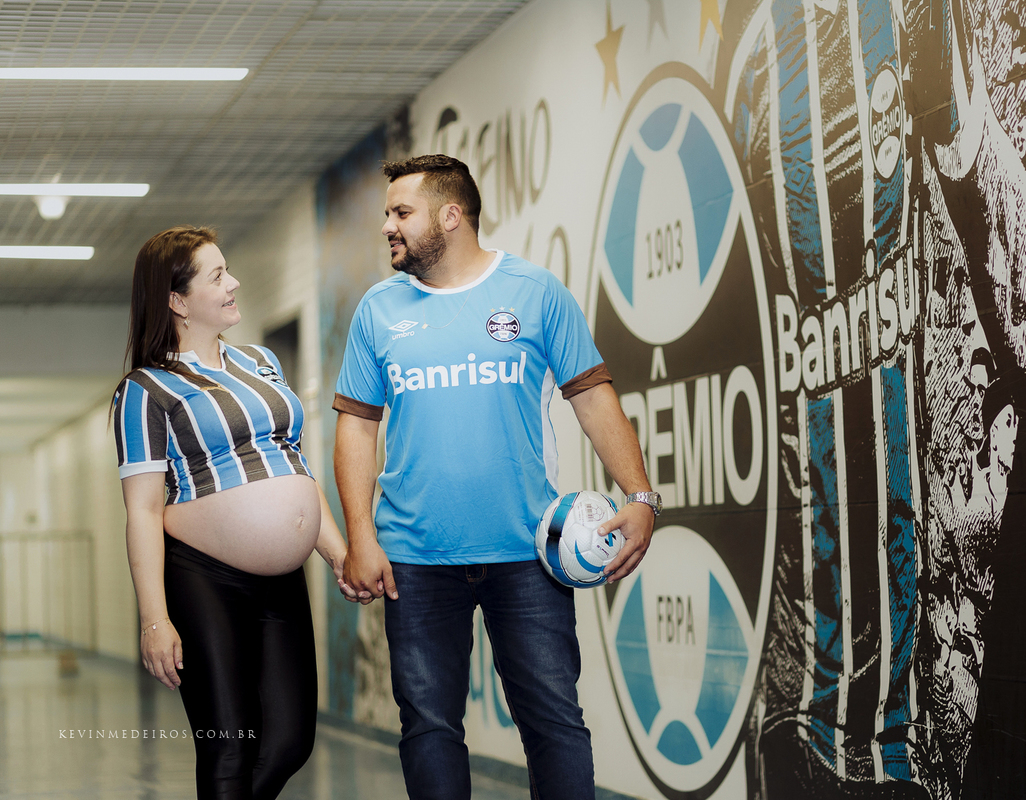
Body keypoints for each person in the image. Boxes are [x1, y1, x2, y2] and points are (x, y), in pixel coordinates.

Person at [333, 153, 660, 800]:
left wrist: (642, 496)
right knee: (428, 727)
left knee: (554, 723)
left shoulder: (535, 294)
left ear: (451, 216)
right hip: (415, 561)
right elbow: (357, 429)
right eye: (388, 213)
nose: (388, 227)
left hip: (529, 554)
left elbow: (593, 399)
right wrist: (360, 535)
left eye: (402, 212)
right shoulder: (379, 310)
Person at [112, 225, 355, 799]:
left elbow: (293, 467)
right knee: (229, 746)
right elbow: (143, 511)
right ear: (177, 301)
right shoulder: (145, 390)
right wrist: (154, 618)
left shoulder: (262, 362)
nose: (234, 283)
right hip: (203, 580)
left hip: (282, 582)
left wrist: (341, 555)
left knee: (290, 742)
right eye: (218, 275)